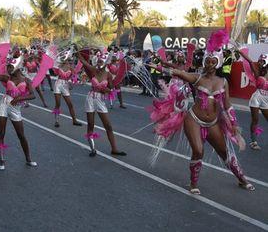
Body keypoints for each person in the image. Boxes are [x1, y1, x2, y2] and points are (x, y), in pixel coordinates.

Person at [150, 30, 254, 194]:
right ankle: (193, 183)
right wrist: (161, 68)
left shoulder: (223, 82)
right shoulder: (197, 78)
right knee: (198, 151)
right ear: (204, 62)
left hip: (213, 122)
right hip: (194, 120)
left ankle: (242, 178)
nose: (211, 64)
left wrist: (233, 124)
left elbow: (227, 104)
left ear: (218, 62)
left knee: (224, 152)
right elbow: (180, 73)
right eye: (208, 61)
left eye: (214, 61)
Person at [77, 47, 126, 157]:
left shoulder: (108, 75)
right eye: (98, 61)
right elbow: (83, 61)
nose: (99, 63)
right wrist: (78, 51)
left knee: (108, 125)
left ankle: (114, 149)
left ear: (105, 63)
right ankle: (93, 149)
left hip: (100, 100)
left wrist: (107, 90)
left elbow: (112, 88)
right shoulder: (93, 71)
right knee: (90, 124)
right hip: (90, 98)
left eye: (101, 62)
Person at [238, 51, 268, 150]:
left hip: (266, 100)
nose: (259, 63)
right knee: (255, 120)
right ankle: (253, 142)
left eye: (262, 61)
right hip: (256, 98)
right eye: (259, 61)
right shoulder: (257, 72)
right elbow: (250, 61)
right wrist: (240, 51)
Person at [52, 59, 82, 127]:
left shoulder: (71, 69)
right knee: (58, 104)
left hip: (65, 85)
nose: (71, 63)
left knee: (70, 104)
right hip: (58, 85)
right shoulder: (59, 66)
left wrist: (71, 84)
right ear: (66, 61)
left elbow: (72, 78)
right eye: (69, 62)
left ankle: (74, 120)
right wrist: (58, 65)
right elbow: (55, 73)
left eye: (71, 62)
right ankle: (56, 121)